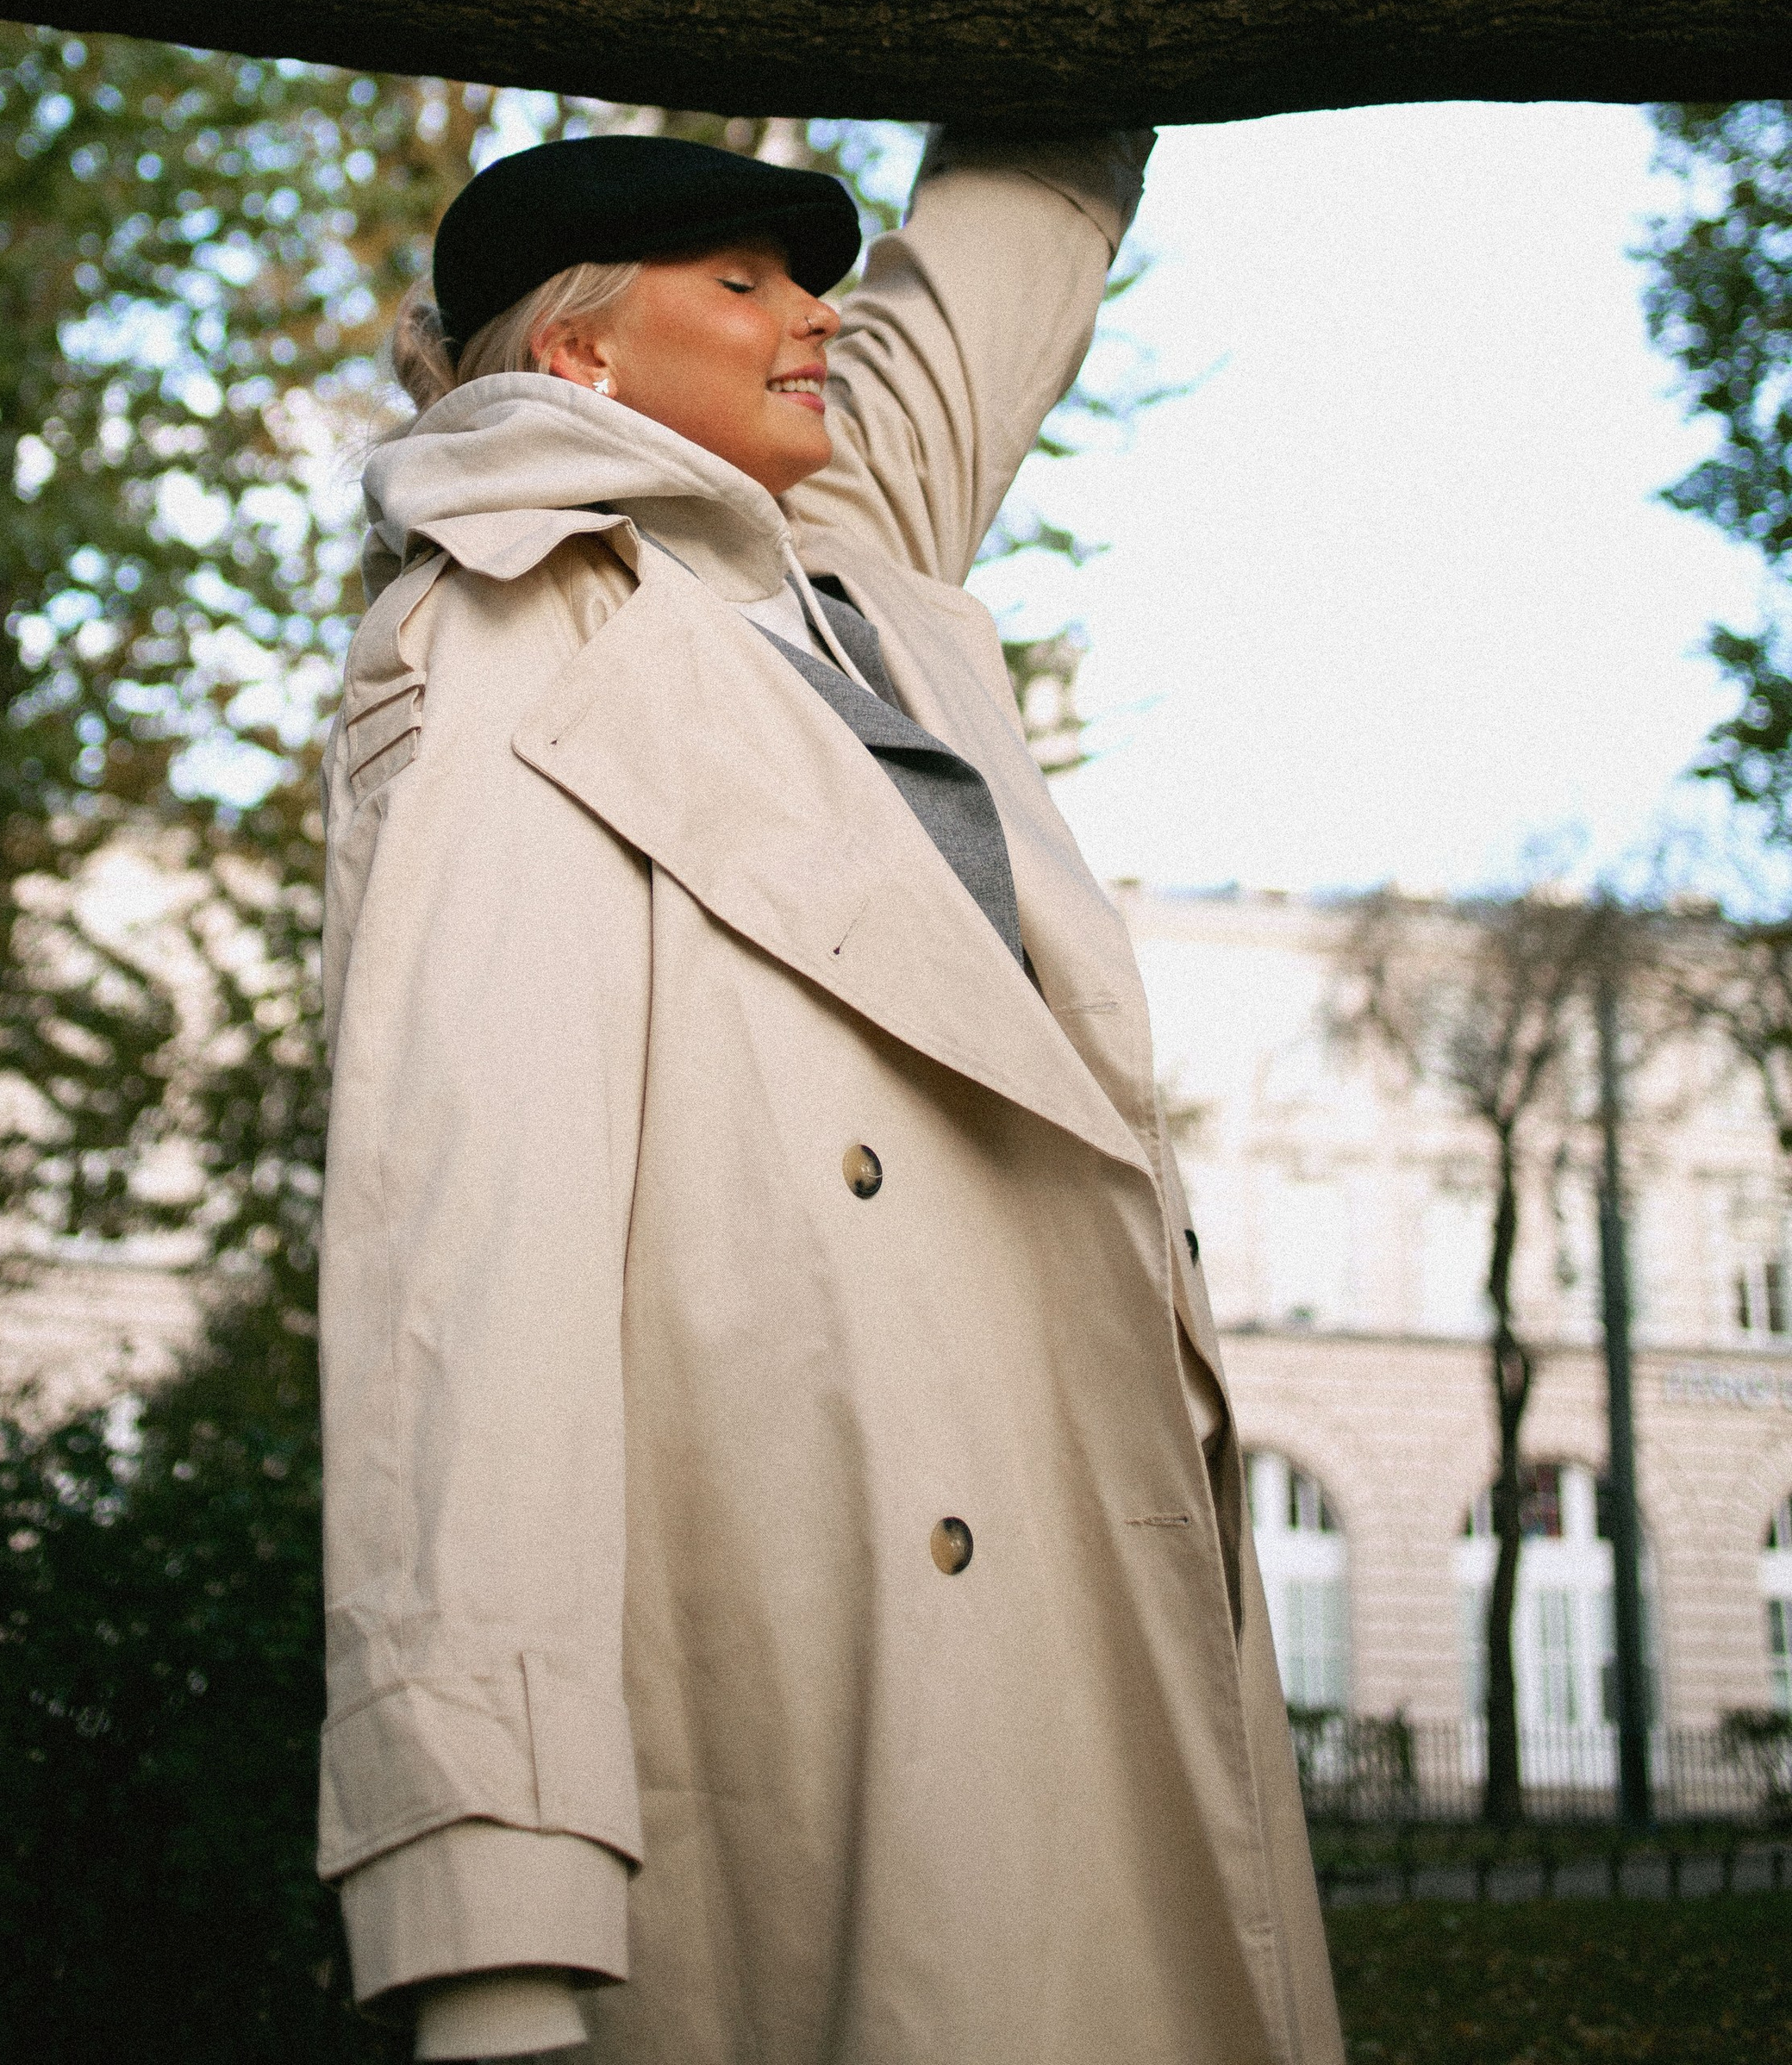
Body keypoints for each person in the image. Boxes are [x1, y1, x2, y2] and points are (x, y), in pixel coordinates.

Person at [317, 128, 1343, 2065]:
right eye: (744, 283)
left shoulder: (853, 568)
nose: (817, 317)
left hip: (1078, 1557)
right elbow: (463, 1251)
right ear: (583, 360)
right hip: (836, 1610)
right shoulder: (492, 638)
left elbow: (1010, 230)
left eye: (812, 283)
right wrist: (490, 1917)